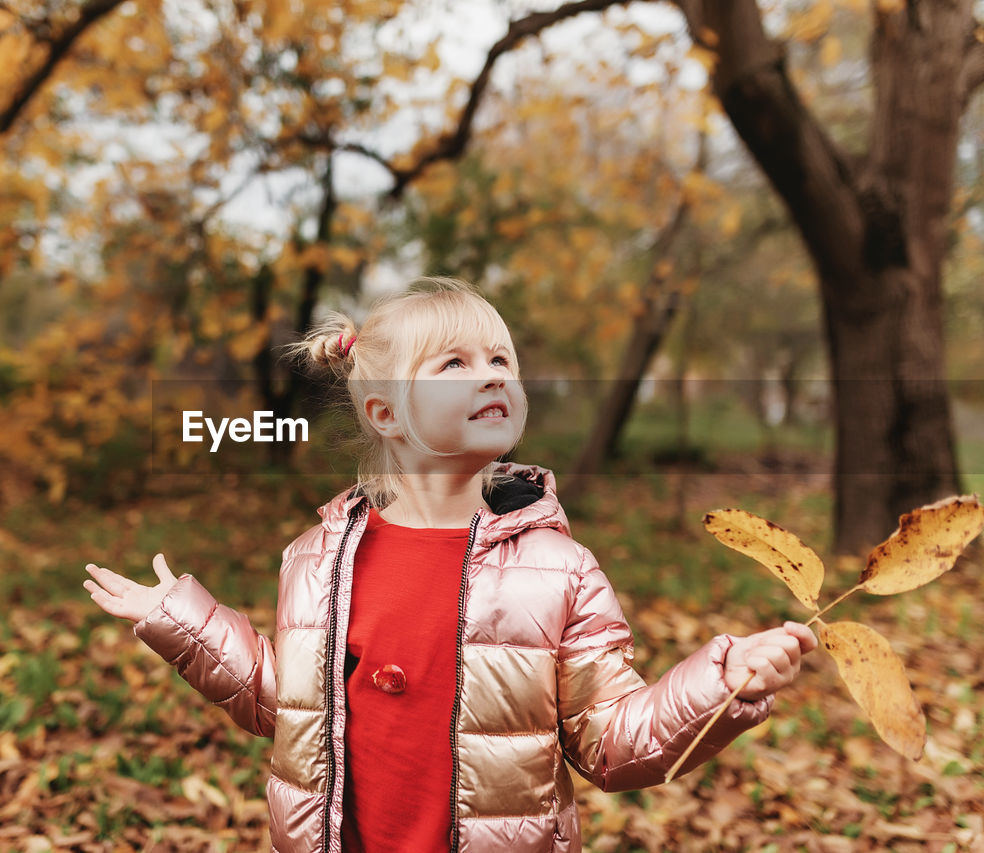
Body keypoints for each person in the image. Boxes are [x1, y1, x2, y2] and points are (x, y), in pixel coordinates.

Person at [83, 277, 818, 852]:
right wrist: (181, 621)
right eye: (456, 363)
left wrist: (723, 683)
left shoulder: (559, 570)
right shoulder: (315, 560)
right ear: (384, 412)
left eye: (502, 360)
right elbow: (290, 709)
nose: (491, 374)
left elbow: (611, 741)